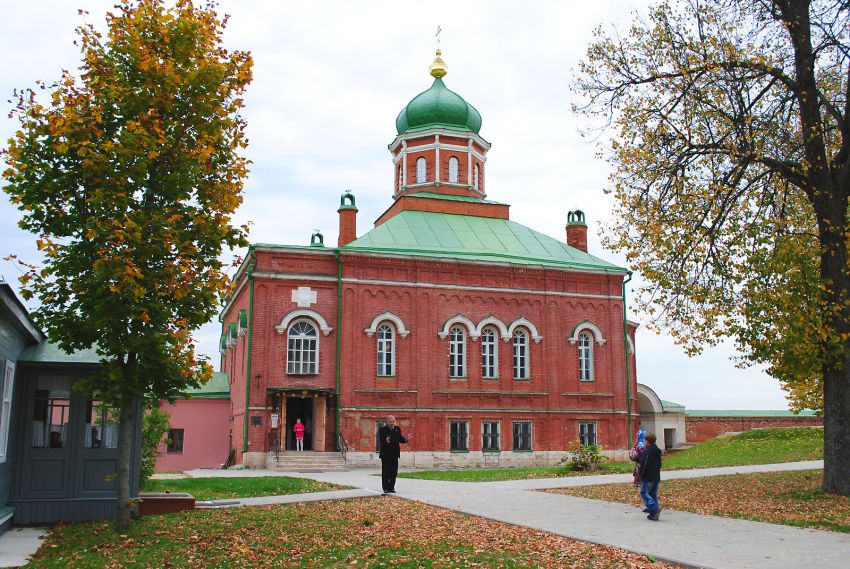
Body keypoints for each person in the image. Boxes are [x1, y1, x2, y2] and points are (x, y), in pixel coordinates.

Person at [378, 415, 412, 494]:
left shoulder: (397, 429)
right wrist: (386, 441)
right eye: (390, 421)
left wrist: (406, 439)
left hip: (394, 454)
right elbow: (381, 441)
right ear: (387, 422)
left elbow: (400, 439)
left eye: (393, 421)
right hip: (385, 455)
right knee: (386, 472)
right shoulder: (382, 430)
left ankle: (391, 487)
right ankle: (386, 488)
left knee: (394, 472)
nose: (392, 423)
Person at [638, 432, 663, 521]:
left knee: (644, 492)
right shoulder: (657, 451)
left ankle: (655, 507)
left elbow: (644, 465)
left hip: (647, 476)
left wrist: (641, 474)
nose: (644, 442)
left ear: (647, 442)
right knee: (652, 494)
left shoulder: (647, 452)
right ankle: (653, 515)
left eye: (644, 440)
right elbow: (660, 464)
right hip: (656, 476)